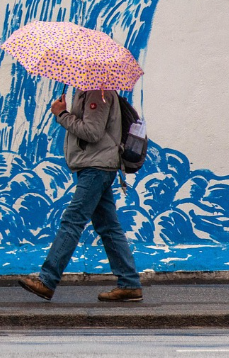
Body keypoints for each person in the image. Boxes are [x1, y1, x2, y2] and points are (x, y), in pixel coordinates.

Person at [18, 90, 143, 302]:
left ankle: (47, 281)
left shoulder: (97, 94)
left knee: (72, 220)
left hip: (96, 168)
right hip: (96, 166)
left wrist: (62, 115)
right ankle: (129, 283)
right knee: (108, 227)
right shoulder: (88, 93)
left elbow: (92, 132)